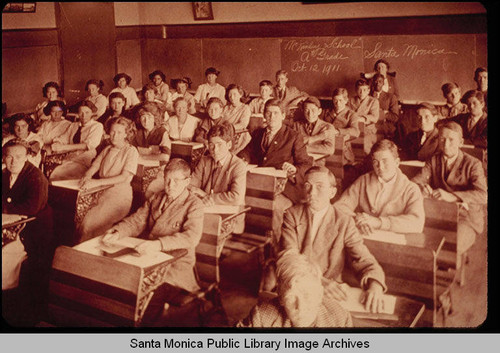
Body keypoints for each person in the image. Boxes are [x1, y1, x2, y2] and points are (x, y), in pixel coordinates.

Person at [279, 166, 386, 312]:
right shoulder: (292, 214)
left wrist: (375, 285)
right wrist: (318, 281)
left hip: (331, 290)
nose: (312, 192)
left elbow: (363, 259)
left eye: (320, 186)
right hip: (296, 284)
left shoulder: (344, 221)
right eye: (307, 186)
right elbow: (289, 257)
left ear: (332, 192)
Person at [101, 158, 204, 292]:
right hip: (147, 256)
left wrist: (158, 244)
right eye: (167, 180)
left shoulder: (194, 204)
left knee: (135, 289)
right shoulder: (156, 197)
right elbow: (137, 221)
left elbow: (191, 237)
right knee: (115, 277)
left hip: (174, 264)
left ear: (187, 181)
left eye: (176, 181)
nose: (170, 185)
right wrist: (118, 232)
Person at [411, 122, 487, 267]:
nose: (446, 144)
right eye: (442, 139)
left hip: (466, 218)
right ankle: (428, 274)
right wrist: (422, 188)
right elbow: (414, 182)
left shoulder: (473, 164)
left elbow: (483, 195)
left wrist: (453, 196)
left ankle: (445, 276)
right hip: (438, 214)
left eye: (451, 139)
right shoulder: (434, 159)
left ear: (461, 142)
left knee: (450, 248)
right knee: (420, 244)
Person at [238, 99, 313, 243]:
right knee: (242, 201)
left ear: (283, 116)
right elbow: (247, 151)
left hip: (286, 188)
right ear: (264, 115)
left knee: (273, 206)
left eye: (276, 113)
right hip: (260, 184)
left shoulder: (293, 136)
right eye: (268, 113)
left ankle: (276, 244)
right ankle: (251, 241)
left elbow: (306, 164)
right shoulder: (258, 133)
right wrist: (243, 159)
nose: (271, 117)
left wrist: (294, 170)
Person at [2, 139, 54, 321]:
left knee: (5, 256)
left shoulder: (36, 177)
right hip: (8, 225)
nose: (13, 162)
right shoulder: (3, 174)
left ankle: (8, 301)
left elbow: (32, 208)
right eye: (8, 157)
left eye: (18, 157)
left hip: (32, 232)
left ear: (27, 157)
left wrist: (6, 210)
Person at [237, 252, 352, 327]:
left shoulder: (340, 319)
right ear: (281, 298)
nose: (300, 307)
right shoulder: (261, 317)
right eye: (291, 298)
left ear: (320, 295)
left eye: (308, 296)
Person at [334, 139, 425, 235]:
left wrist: (379, 222)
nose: (380, 167)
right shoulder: (363, 181)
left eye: (385, 161)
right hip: (364, 236)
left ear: (397, 162)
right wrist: (357, 219)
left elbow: (417, 223)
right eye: (375, 162)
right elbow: (339, 207)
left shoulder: (411, 189)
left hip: (393, 241)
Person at [76, 117, 139, 242]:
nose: (114, 136)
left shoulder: (131, 151)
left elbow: (124, 177)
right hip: (101, 190)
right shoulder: (107, 149)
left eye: (119, 133)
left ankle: (88, 253)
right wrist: (87, 176)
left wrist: (96, 182)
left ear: (126, 134)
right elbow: (94, 166)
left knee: (89, 224)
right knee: (80, 219)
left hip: (119, 194)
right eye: (112, 132)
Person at [190, 123, 247, 233]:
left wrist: (206, 196)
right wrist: (201, 196)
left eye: (220, 144)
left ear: (229, 145)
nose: (215, 150)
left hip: (229, 217)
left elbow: (236, 197)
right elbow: (191, 186)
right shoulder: (204, 160)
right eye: (211, 145)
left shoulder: (238, 165)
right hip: (205, 211)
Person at [49, 101, 104, 180]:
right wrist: (57, 143)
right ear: (77, 113)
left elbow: (87, 145)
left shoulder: (97, 126)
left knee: (58, 174)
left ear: (92, 113)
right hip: (71, 157)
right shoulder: (74, 125)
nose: (84, 115)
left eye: (87, 112)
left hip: (85, 159)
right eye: (81, 112)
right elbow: (64, 138)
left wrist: (64, 147)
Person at [292, 96, 336, 166]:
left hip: (317, 164)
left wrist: (304, 148)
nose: (310, 114)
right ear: (303, 111)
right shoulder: (297, 125)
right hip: (299, 162)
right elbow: (292, 144)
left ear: (319, 111)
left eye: (313, 110)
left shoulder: (327, 127)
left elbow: (329, 149)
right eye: (307, 110)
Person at [321, 88, 360, 164]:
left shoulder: (351, 114)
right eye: (335, 100)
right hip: (325, 144)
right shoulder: (326, 112)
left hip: (342, 147)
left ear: (346, 100)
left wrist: (338, 131)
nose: (338, 103)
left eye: (341, 100)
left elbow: (356, 131)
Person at [349, 79, 379, 154]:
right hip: (353, 128)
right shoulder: (351, 100)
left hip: (368, 131)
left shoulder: (373, 101)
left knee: (365, 144)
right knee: (344, 142)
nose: (362, 92)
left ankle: (366, 161)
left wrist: (360, 118)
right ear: (356, 90)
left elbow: (374, 117)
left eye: (364, 90)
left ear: (368, 90)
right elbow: (347, 114)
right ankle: (350, 161)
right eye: (359, 90)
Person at [222, 84, 251, 153]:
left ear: (240, 94)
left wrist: (228, 127)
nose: (232, 97)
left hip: (238, 134)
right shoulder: (226, 108)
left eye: (235, 94)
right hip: (225, 132)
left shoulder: (245, 108)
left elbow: (243, 124)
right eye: (230, 95)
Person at [370, 73, 399, 140]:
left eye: (380, 81)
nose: (377, 83)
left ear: (383, 83)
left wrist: (382, 114)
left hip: (385, 129)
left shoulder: (390, 97)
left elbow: (395, 117)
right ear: (372, 82)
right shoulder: (368, 96)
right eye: (376, 81)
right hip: (370, 128)